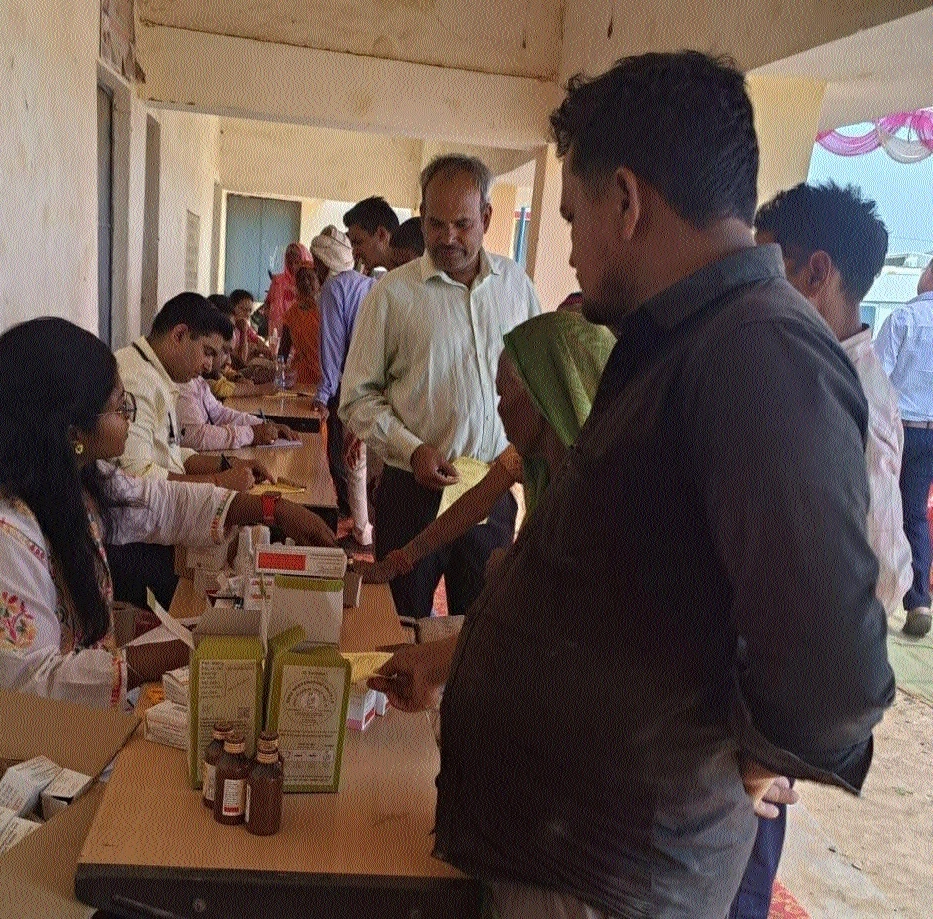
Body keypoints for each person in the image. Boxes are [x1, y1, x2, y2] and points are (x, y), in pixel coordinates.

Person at [370, 52, 894, 919]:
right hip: (572, 853)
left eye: (572, 218)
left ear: (626, 200)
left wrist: (748, 759)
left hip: (610, 874)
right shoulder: (680, 348)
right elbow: (624, 603)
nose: (569, 249)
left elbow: (831, 677)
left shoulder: (755, 353)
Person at [0, 317, 336, 735]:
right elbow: (37, 686)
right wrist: (186, 647)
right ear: (72, 431)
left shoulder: (59, 479)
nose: (128, 418)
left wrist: (269, 511)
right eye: (121, 409)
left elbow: (156, 503)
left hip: (55, 728)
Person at [743, 181, 909, 919]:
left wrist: (775, 745)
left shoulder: (845, 390)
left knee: (734, 887)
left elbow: (873, 577)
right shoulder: (812, 369)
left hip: (764, 716)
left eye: (763, 266)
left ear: (815, 273)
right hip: (749, 694)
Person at [340, 153, 542, 619]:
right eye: (434, 223)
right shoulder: (392, 295)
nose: (446, 238)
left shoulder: (516, 287)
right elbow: (356, 400)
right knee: (399, 623)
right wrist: (411, 449)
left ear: (487, 217)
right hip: (413, 495)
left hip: (491, 491)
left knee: (479, 629)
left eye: (462, 224)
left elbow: (535, 386)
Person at [360, 308, 614, 584]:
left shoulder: (598, 489)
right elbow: (474, 503)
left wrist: (513, 570)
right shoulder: (531, 458)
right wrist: (402, 560)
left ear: (542, 399)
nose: (499, 410)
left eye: (504, 394)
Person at [111, 293, 271, 608]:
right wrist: (221, 484)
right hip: (133, 540)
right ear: (180, 335)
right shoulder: (136, 381)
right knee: (214, 600)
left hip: (158, 521)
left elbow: (174, 453)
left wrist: (224, 464)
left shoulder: (158, 375)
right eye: (206, 352)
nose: (209, 365)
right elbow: (138, 480)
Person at [875, 259, 933, 638]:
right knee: (915, 515)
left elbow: (875, 377)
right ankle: (920, 601)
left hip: (901, 431)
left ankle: (877, 600)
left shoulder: (903, 319)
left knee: (883, 509)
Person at [310, 227, 376, 548]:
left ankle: (361, 532)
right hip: (376, 383)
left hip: (352, 388)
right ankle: (365, 527)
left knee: (352, 460)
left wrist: (323, 394)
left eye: (316, 263)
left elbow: (332, 348)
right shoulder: (368, 284)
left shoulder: (334, 290)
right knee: (367, 460)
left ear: (324, 264)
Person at [176, 346, 298, 451]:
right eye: (208, 352)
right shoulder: (183, 382)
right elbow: (195, 436)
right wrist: (251, 434)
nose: (229, 359)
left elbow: (219, 414)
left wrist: (264, 425)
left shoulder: (197, 380)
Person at [279, 265, 323, 390]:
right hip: (300, 378)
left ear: (319, 281)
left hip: (324, 378)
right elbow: (283, 351)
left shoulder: (326, 310)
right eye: (301, 279)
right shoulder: (291, 314)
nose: (306, 282)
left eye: (310, 278)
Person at [263, 243, 313, 336]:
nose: (293, 266)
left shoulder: (309, 284)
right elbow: (268, 304)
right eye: (289, 262)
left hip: (300, 333)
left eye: (297, 262)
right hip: (277, 333)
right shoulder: (277, 281)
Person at [343, 196, 400, 275]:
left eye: (358, 242)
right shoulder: (394, 278)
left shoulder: (410, 276)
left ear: (381, 234)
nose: (354, 252)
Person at [226, 289, 273, 371]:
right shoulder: (230, 329)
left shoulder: (245, 326)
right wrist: (244, 333)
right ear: (232, 308)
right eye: (243, 309)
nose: (247, 314)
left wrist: (259, 350)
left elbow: (259, 343)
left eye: (249, 310)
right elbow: (242, 360)